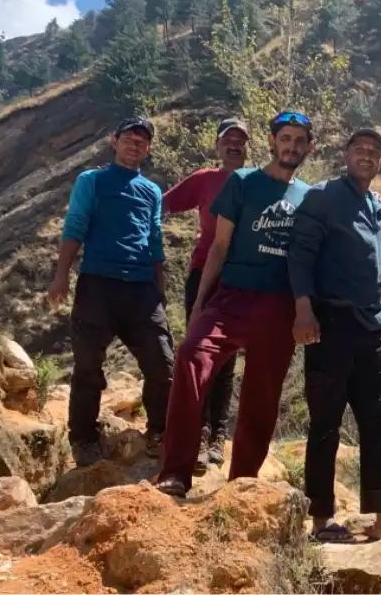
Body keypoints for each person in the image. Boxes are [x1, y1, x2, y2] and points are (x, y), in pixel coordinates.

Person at [153, 111, 316, 497]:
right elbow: (219, 247)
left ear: (308, 148)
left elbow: (308, 256)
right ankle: (176, 470)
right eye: (285, 138)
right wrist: (199, 306)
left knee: (263, 394)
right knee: (192, 357)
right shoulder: (242, 182)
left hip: (279, 306)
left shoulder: (309, 197)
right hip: (232, 297)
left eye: (299, 141)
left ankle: (242, 481)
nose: (291, 146)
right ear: (273, 141)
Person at [290, 128, 381, 543]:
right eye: (360, 149)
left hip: (370, 330)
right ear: (346, 155)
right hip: (329, 325)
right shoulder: (322, 197)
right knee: (325, 422)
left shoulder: (379, 209)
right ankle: (320, 519)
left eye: (375, 152)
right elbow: (299, 256)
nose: (367, 156)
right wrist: (302, 309)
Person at [48, 116, 173, 468]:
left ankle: (159, 432)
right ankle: (83, 438)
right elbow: (75, 225)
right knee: (88, 365)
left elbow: (155, 239)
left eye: (142, 141)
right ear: (113, 141)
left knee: (162, 364)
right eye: (129, 138)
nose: (135, 144)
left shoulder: (151, 191)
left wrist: (158, 289)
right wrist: (61, 276)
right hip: (97, 284)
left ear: (148, 149)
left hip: (140, 288)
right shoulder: (91, 181)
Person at [160, 117, 251, 468]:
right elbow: (161, 204)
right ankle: (196, 433)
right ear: (217, 146)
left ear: (248, 148)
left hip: (241, 278)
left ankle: (217, 434)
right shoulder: (204, 180)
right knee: (198, 351)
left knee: (227, 358)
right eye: (228, 139)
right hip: (203, 274)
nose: (234, 145)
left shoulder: (255, 182)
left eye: (240, 140)